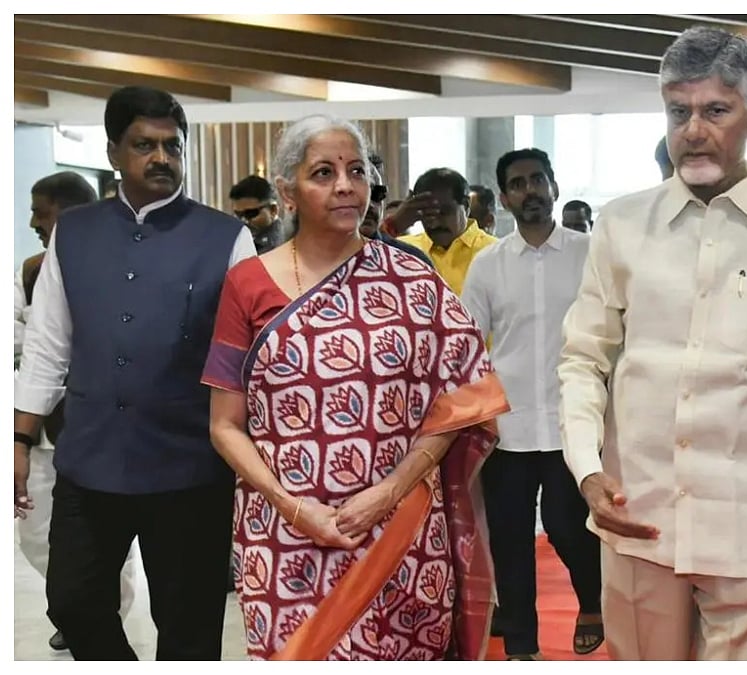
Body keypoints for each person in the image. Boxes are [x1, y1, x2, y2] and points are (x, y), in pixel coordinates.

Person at [559, 26, 747, 660]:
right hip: (637, 512)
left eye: (716, 110)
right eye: (678, 111)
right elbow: (583, 358)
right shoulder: (622, 225)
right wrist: (586, 468)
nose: (693, 130)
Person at [203, 114, 509, 661]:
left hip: (402, 528)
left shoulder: (413, 278)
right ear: (287, 190)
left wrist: (387, 492)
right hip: (286, 539)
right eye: (323, 172)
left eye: (356, 170)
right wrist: (294, 508)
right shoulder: (247, 284)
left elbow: (459, 404)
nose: (345, 185)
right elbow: (225, 425)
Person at [13, 85, 255, 660]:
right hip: (91, 456)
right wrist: (20, 440)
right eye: (144, 145)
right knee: (72, 601)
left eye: (173, 145)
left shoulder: (227, 237)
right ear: (114, 152)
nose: (162, 157)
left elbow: (250, 359)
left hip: (191, 464)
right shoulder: (73, 233)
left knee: (190, 625)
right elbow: (48, 344)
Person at [461, 148, 600, 661]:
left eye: (537, 180)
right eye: (517, 184)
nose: (530, 191)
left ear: (554, 186)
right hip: (510, 425)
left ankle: (593, 600)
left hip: (574, 422)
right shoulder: (489, 264)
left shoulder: (592, 252)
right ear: (503, 199)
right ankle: (521, 648)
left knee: (569, 526)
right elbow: (469, 343)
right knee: (511, 542)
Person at [15, 171, 138, 653]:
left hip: (101, 428)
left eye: (39, 211)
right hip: (43, 426)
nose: (32, 222)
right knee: (37, 537)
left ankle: (103, 618)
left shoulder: (116, 265)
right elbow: (35, 344)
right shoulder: (31, 268)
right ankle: (83, 610)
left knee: (104, 546)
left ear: (66, 214)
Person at [399, 168, 498, 295]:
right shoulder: (404, 251)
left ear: (466, 206)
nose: (435, 223)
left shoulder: (494, 253)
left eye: (444, 212)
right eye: (427, 213)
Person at [230, 174, 287, 253]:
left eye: (251, 213)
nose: (243, 220)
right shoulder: (236, 241)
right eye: (238, 214)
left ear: (273, 210)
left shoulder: (280, 247)